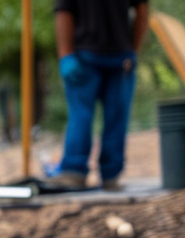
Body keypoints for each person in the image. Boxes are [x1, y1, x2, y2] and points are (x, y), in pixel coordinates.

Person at [43, 0, 149, 191]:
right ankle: (89, 172)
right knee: (96, 116)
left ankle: (96, 173)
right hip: (93, 57)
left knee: (94, 115)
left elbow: (63, 12)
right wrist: (132, 51)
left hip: (107, 57)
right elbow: (64, 11)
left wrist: (65, 54)